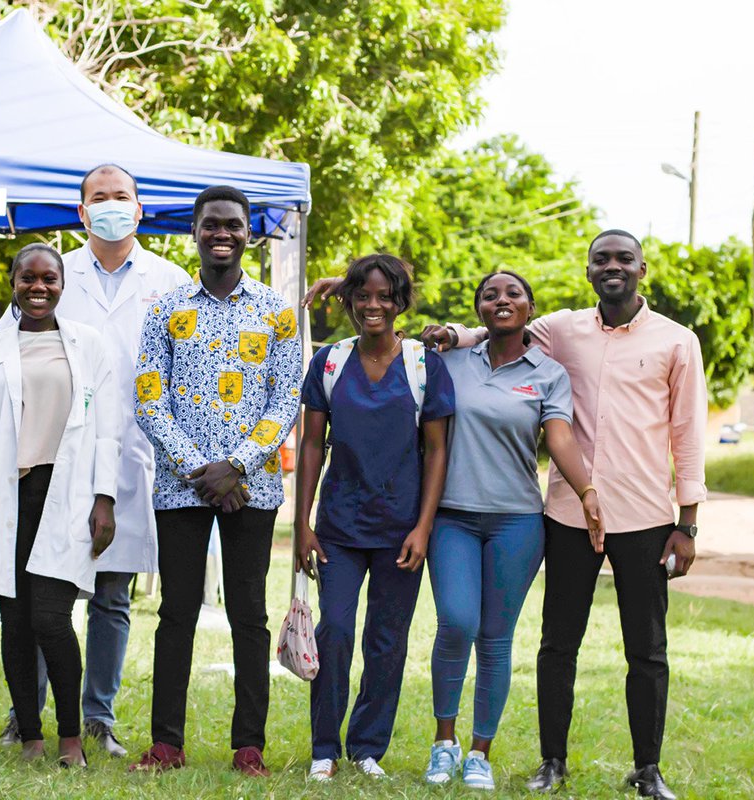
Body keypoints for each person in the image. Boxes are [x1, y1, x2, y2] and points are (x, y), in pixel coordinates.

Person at [422, 231, 706, 800]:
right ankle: (552, 761)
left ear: (642, 269)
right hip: (567, 515)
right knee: (557, 645)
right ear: (588, 271)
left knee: (646, 650)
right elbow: (499, 329)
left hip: (646, 516)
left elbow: (688, 432)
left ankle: (647, 769)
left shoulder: (678, 342)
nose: (613, 267)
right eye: (602, 259)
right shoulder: (563, 330)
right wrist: (454, 332)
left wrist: (688, 521)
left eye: (623, 258)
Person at [0, 164, 191, 757]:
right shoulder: (54, 271)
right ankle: (25, 714)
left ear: (140, 207)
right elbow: (10, 355)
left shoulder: (169, 279)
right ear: (81, 212)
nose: (110, 205)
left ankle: (98, 719)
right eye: (98, 198)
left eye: (121, 196)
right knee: (40, 594)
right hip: (54, 460)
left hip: (133, 456)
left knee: (111, 595)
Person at [130, 185, 302, 776]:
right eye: (211, 225)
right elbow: (149, 398)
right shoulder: (165, 307)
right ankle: (166, 744)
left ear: (248, 234)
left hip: (250, 488)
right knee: (175, 612)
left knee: (248, 615)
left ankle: (249, 746)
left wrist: (239, 467)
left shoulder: (278, 312)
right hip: (183, 486)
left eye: (233, 225)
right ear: (195, 232)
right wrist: (202, 472)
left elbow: (285, 399)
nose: (221, 234)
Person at [422, 270, 602, 791]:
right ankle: (443, 743)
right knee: (456, 623)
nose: (501, 300)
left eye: (513, 294)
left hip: (517, 521)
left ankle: (480, 751)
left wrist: (587, 491)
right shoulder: (450, 362)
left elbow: (561, 439)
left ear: (530, 308)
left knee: (496, 640)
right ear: (478, 308)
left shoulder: (549, 373)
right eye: (490, 294)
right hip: (452, 516)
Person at [0, 243, 120, 766]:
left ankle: (71, 739)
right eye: (28, 278)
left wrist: (105, 498)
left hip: (66, 494)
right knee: (15, 622)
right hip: (10, 496)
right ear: (13, 283)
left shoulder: (89, 345)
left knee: (51, 619)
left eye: (48, 279)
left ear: (61, 285)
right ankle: (30, 736)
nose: (38, 288)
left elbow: (106, 429)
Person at [294, 254, 452, 782]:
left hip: (401, 529)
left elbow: (437, 452)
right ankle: (324, 748)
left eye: (385, 296)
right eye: (363, 296)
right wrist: (302, 523)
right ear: (349, 302)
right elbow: (312, 443)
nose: (374, 305)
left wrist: (423, 528)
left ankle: (366, 747)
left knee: (387, 640)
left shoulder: (424, 364)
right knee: (334, 630)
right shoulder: (330, 362)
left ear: (401, 301)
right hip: (339, 526)